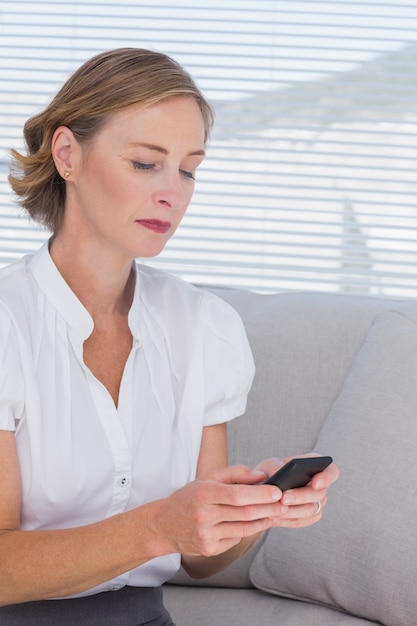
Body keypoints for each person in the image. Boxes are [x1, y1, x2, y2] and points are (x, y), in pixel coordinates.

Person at [0, 48, 339, 625]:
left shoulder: (203, 325)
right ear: (67, 155)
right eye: (144, 163)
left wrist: (253, 508)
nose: (173, 193)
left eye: (188, 169)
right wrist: (157, 524)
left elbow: (201, 561)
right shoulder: (8, 324)